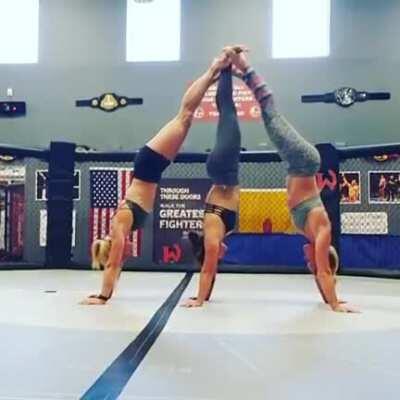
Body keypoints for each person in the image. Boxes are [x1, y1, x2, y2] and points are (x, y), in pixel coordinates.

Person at [80, 51, 232, 305]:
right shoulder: (125, 226)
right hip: (153, 169)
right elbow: (117, 265)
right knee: (185, 118)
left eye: (123, 253)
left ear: (112, 247)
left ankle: (213, 69)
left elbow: (114, 264)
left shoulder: (120, 224)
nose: (129, 253)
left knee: (184, 116)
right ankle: (212, 75)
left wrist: (103, 296)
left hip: (148, 164)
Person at [230, 47, 358, 313]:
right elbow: (324, 271)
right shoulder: (322, 233)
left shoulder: (311, 238)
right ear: (321, 256)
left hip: (293, 165)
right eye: (310, 263)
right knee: (270, 113)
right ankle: (243, 63)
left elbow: (321, 273)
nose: (306, 261)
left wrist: (327, 295)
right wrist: (336, 304)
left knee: (268, 116)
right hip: (305, 162)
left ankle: (239, 73)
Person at [182, 61, 242, 308]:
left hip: (222, 169)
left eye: (218, 256)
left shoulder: (213, 238)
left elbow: (207, 270)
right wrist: (206, 296)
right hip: (224, 171)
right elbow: (212, 270)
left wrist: (199, 300)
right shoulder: (218, 234)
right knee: (227, 114)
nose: (223, 255)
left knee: (228, 112)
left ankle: (225, 65)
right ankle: (225, 71)